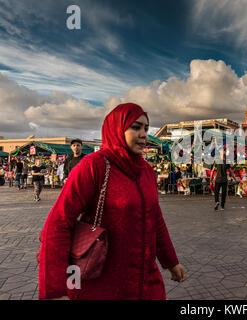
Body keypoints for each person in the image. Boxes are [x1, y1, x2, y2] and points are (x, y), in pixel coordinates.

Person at [38, 103, 186, 300]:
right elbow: (58, 222)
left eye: (146, 128)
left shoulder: (146, 172)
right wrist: (54, 290)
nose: (143, 134)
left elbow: (155, 218)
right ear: (117, 129)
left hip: (146, 283)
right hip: (102, 284)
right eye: (135, 127)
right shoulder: (94, 166)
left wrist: (171, 261)